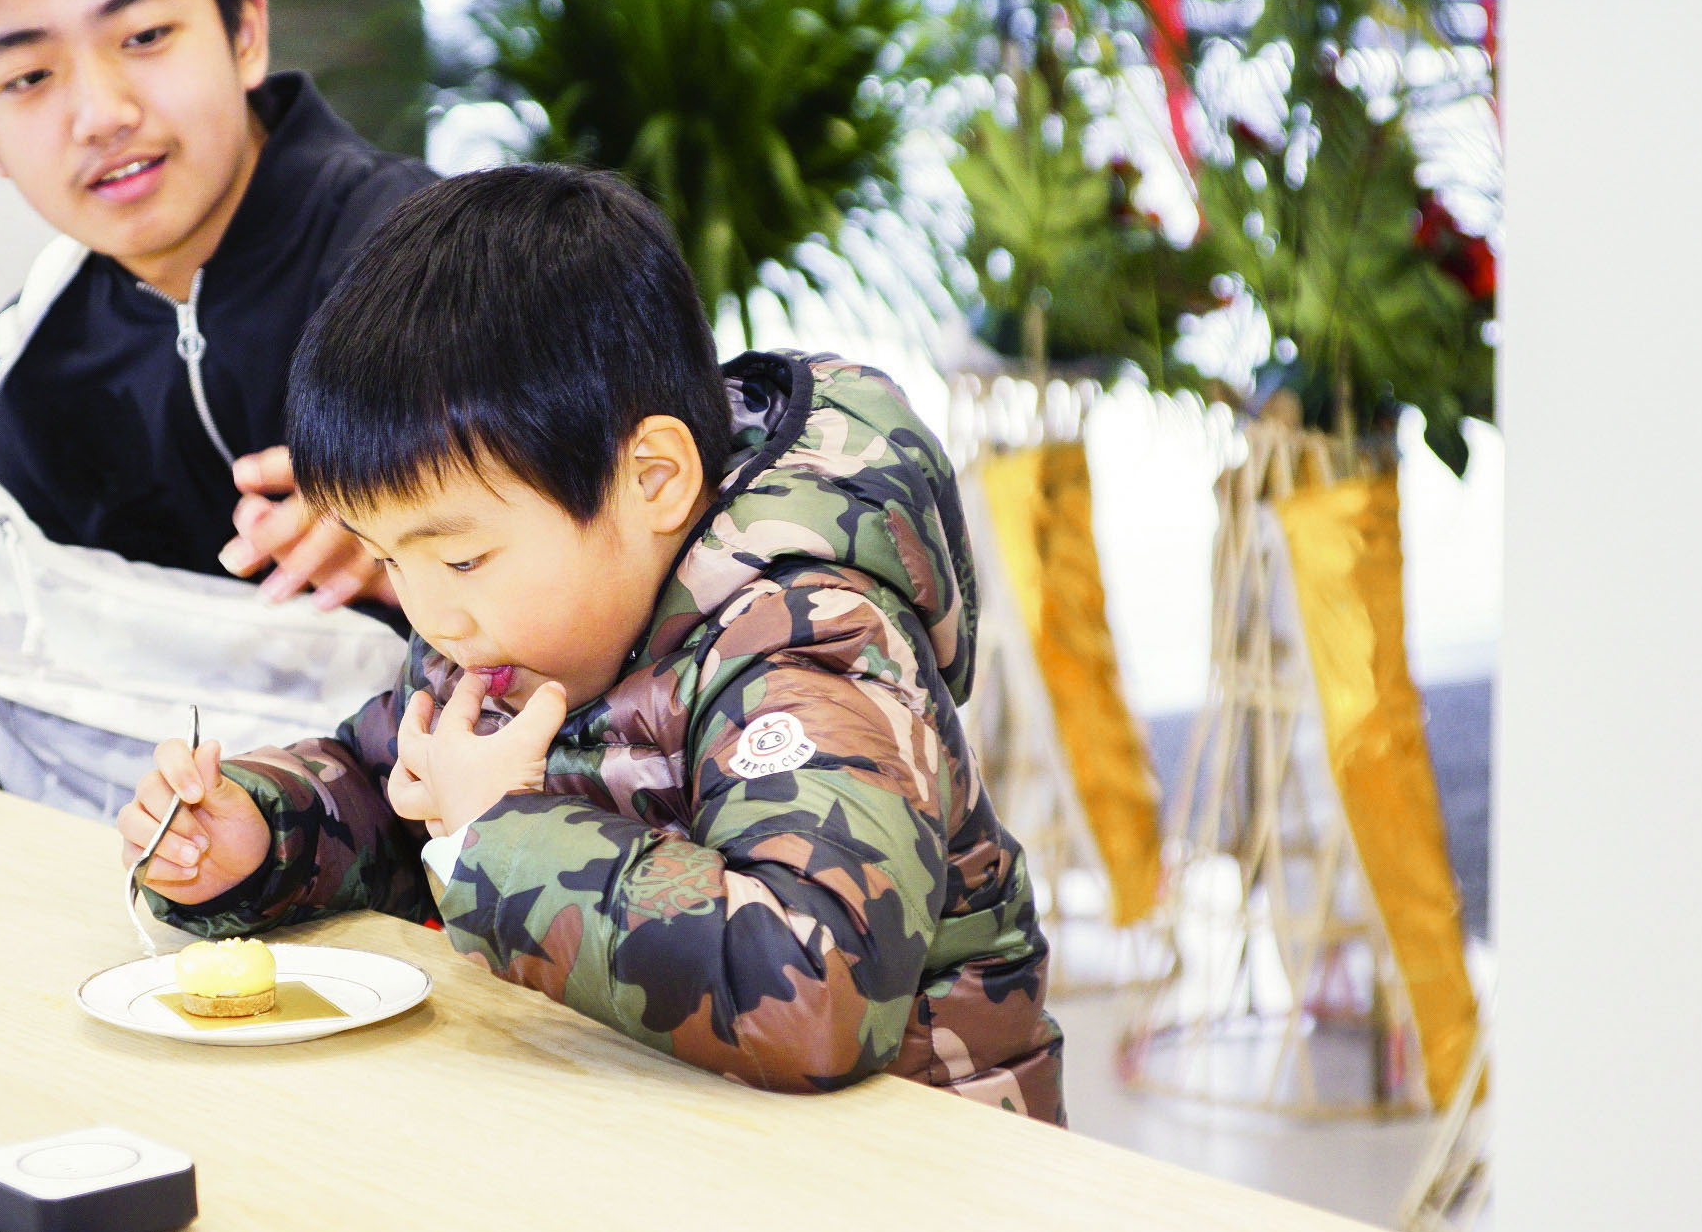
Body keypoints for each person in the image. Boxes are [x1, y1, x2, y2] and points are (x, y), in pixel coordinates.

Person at [119, 167, 1064, 1115]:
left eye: (461, 557)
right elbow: (392, 795)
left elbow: (815, 986)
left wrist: (500, 834)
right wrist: (260, 835)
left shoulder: (810, 645)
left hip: (914, 1165)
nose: (432, 614)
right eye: (388, 559)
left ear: (654, 479)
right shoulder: (504, 634)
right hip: (672, 1126)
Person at [0, 0, 433, 815]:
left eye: (142, 35)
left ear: (245, 31)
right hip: (136, 868)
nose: (101, 112)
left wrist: (416, 552)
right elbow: (12, 696)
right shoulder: (32, 352)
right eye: (29, 78)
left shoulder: (429, 259)